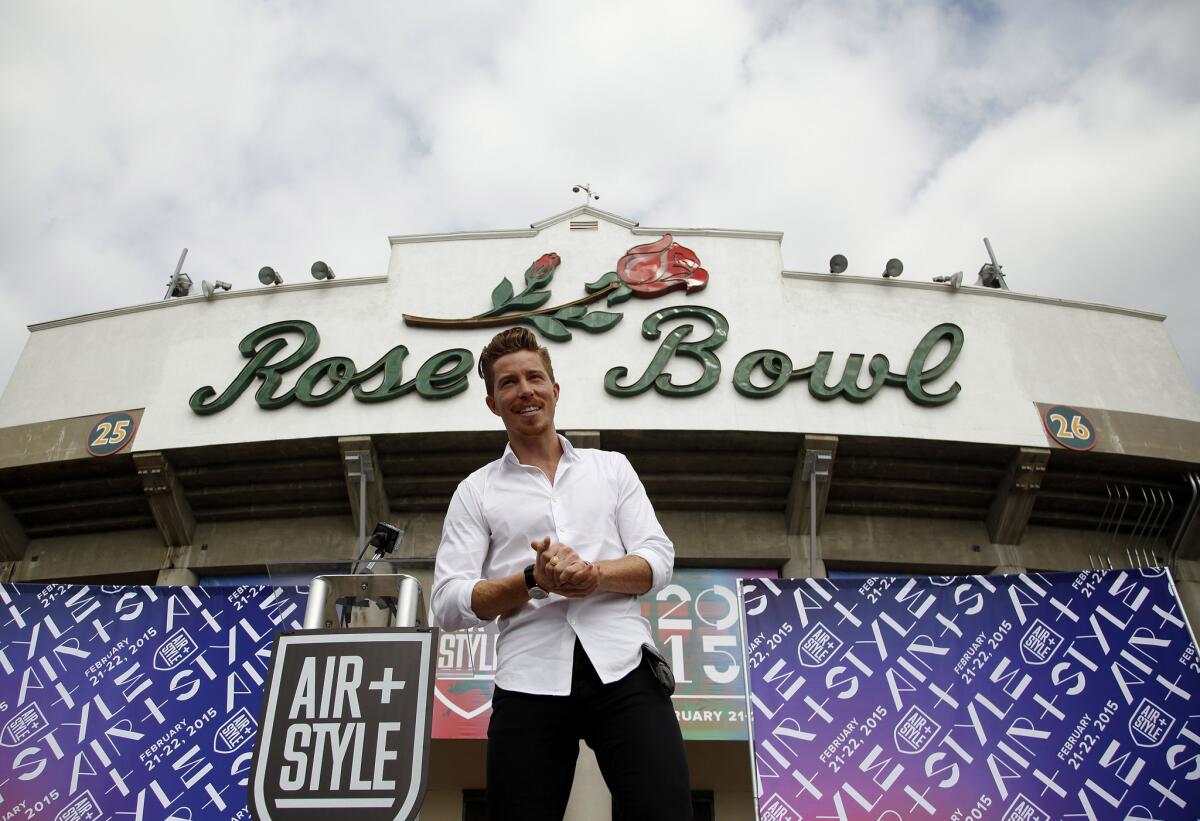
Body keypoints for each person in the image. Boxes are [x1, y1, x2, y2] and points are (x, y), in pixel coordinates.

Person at [430, 327, 693, 820]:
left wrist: (593, 575)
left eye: (534, 377)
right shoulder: (475, 491)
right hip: (527, 678)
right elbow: (447, 602)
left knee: (666, 810)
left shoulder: (611, 469)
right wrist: (531, 582)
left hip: (624, 668)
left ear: (555, 389)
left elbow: (657, 559)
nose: (524, 390)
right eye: (508, 383)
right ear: (492, 403)